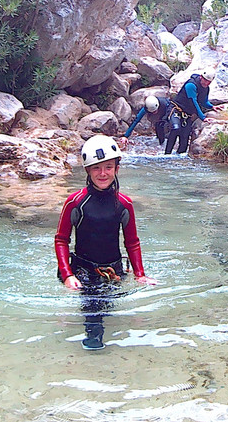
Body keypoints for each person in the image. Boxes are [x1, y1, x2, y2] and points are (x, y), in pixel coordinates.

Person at [54, 135, 157, 350]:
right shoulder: (75, 203)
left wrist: (140, 274)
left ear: (117, 169)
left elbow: (132, 242)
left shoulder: (124, 204)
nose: (103, 174)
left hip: (114, 269)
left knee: (108, 306)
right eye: (96, 168)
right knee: (93, 308)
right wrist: (67, 275)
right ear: (87, 171)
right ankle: (94, 343)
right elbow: (62, 240)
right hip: (83, 269)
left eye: (108, 167)